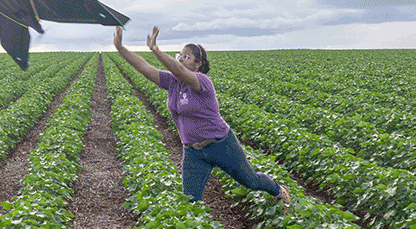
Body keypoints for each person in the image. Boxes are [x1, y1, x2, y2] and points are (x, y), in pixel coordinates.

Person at [113, 25, 291, 209]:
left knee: (251, 181)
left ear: (197, 64)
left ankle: (278, 191)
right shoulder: (172, 82)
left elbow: (180, 71)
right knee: (190, 203)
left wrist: (156, 50)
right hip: (193, 152)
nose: (181, 59)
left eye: (186, 57)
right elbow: (143, 67)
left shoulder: (202, 82)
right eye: (179, 56)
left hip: (221, 145)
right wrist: (120, 48)